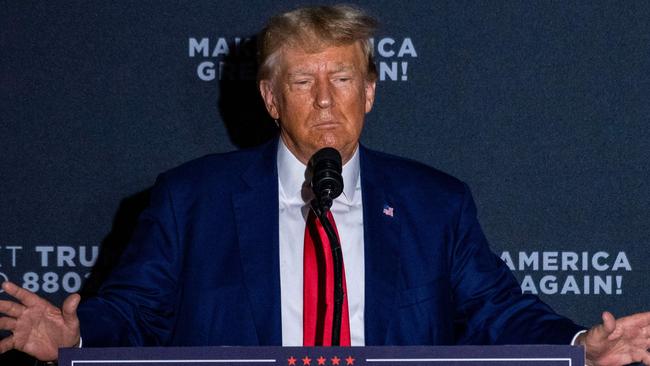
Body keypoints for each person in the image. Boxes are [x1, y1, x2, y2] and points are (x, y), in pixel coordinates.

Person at [1, 5, 649, 365]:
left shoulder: (435, 204)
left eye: (342, 79)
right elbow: (134, 313)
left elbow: (498, 313)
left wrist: (578, 347)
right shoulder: (190, 200)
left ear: (370, 91)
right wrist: (75, 339)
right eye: (303, 82)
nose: (326, 101)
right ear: (270, 98)